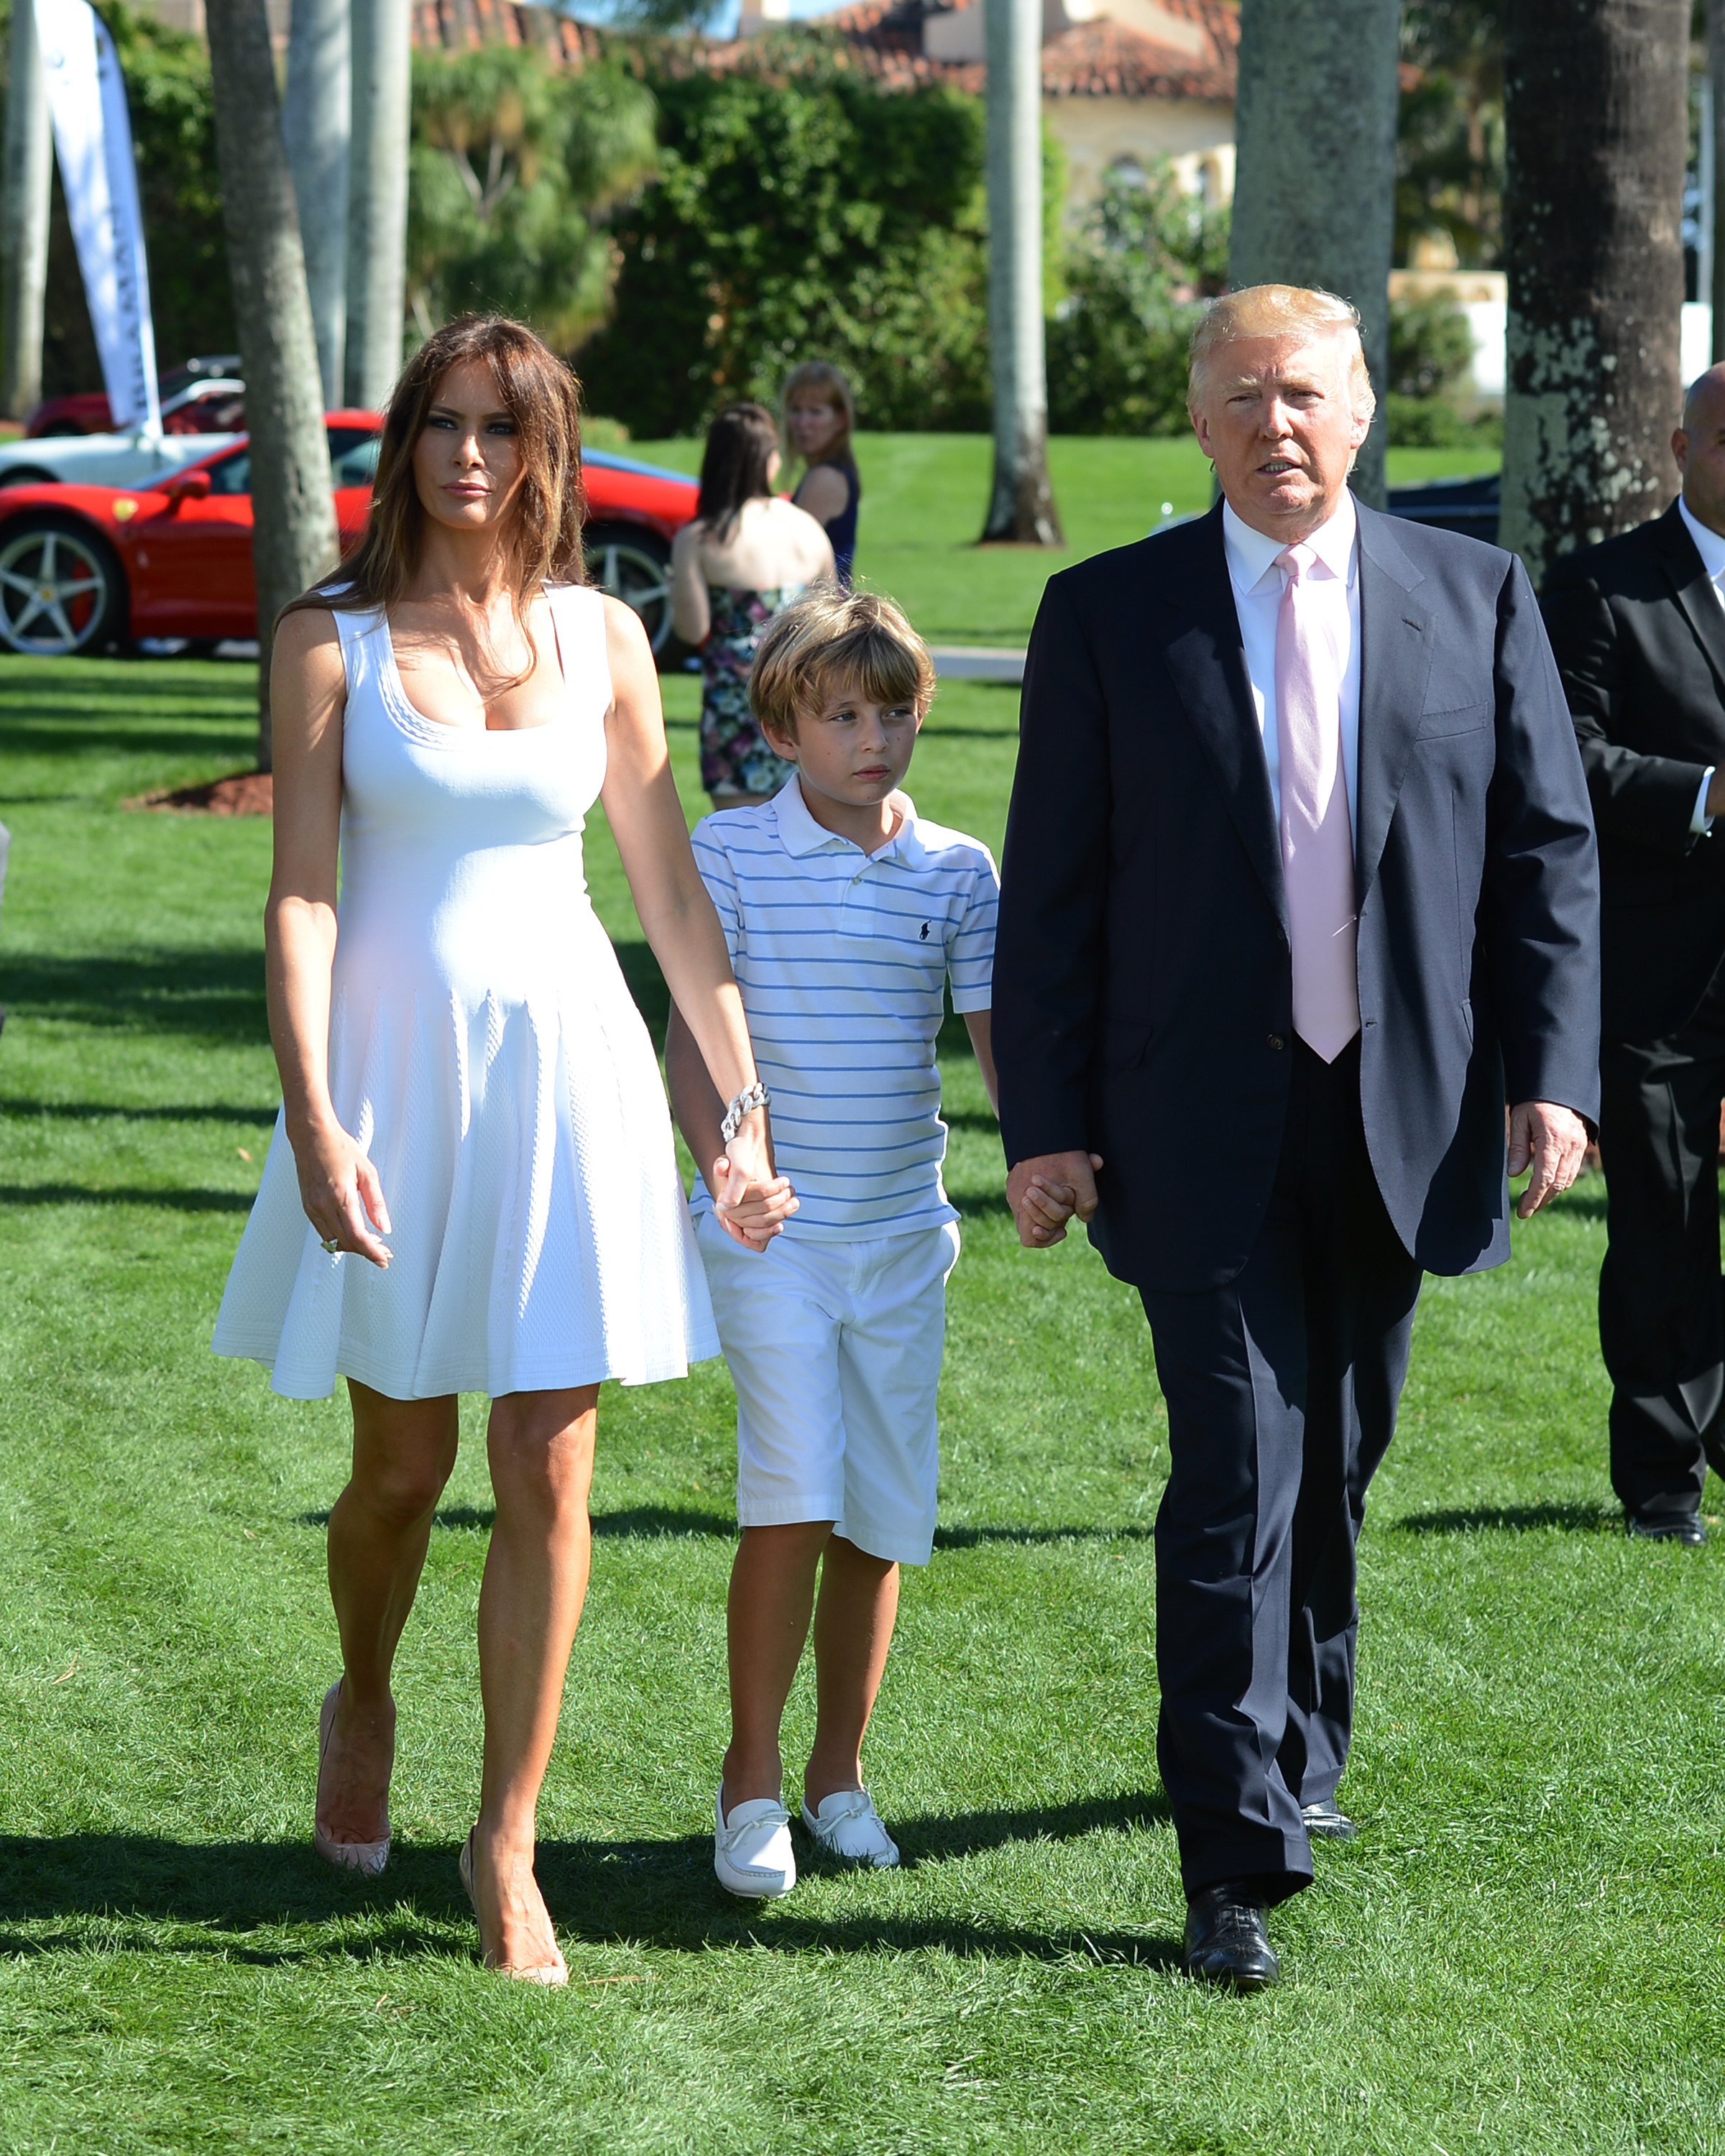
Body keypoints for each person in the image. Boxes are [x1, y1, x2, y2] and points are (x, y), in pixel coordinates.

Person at [992, 285, 1599, 1989]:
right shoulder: (1108, 615)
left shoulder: (1466, 598)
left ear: (1361, 414)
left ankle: (1300, 1745)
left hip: (1400, 1111)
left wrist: (1546, 1076)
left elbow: (1544, 857)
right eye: (1245, 396)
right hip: (1189, 1118)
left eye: (1307, 397)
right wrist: (1041, 1124)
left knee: (1338, 1446)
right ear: (1198, 418)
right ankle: (1230, 1848)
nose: (1277, 426)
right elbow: (1050, 895)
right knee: (1234, 1464)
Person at [212, 316, 791, 1983]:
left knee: (546, 1453)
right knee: (397, 1472)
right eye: (439, 424)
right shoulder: (327, 642)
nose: (466, 454)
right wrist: (313, 1112)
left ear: (546, 447)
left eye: (499, 426)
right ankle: (365, 1688)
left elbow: (666, 895)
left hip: (566, 1076)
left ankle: (505, 1837)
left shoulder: (604, 634)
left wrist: (739, 1110)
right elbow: (305, 893)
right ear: (400, 444)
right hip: (389, 1079)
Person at [664, 586, 999, 1899]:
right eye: (841, 714)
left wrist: (1045, 1159)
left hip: (904, 1242)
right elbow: (691, 1039)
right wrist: (726, 1163)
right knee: (794, 1492)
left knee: (882, 1515)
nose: (873, 737)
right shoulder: (729, 851)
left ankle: (838, 1777)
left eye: (894, 711)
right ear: (785, 725)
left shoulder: (960, 872)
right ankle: (749, 1785)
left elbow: (996, 1045)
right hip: (772, 1240)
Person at [1542, 363, 1725, 1544]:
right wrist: (1706, 792)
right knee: (1661, 1225)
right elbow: (1566, 758)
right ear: (1679, 445)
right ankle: (1662, 1478)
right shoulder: (1604, 588)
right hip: (1663, 976)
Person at [671, 401, 836, 806]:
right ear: (769, 460)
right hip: (800, 701)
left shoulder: (700, 538)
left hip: (735, 706)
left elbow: (692, 629)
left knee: (740, 846)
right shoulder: (807, 529)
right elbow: (833, 623)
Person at [783, 361, 862, 586]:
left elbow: (786, 556)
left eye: (815, 412)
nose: (802, 423)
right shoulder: (831, 471)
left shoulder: (825, 478)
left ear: (840, 421)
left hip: (820, 615)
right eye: (796, 411)